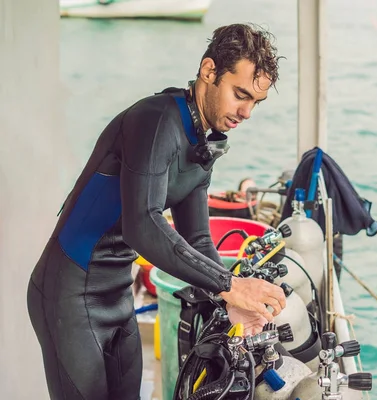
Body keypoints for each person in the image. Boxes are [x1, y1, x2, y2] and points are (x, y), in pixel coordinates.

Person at [26, 23, 286, 400]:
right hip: (68, 292)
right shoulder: (156, 120)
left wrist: (227, 301)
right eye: (240, 94)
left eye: (255, 103)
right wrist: (231, 286)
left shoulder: (202, 142)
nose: (246, 112)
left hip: (116, 294)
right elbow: (142, 226)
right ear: (209, 71)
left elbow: (196, 239)